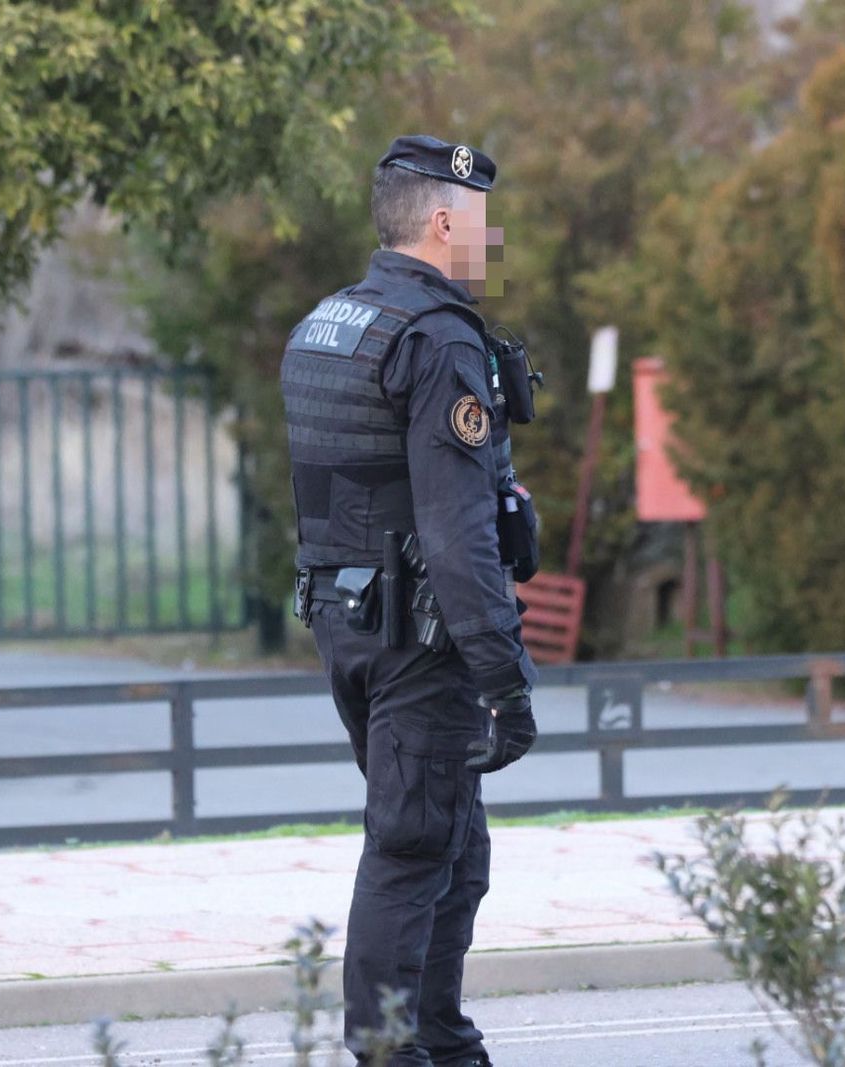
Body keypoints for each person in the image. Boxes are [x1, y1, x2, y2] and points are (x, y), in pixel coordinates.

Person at [279, 135, 541, 1067]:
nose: (490, 235)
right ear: (444, 221)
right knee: (412, 847)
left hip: (353, 629)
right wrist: (506, 681)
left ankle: (442, 1043)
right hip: (426, 642)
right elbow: (457, 536)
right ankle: (392, 1054)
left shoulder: (328, 324)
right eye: (480, 219)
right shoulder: (435, 340)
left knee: (451, 849)